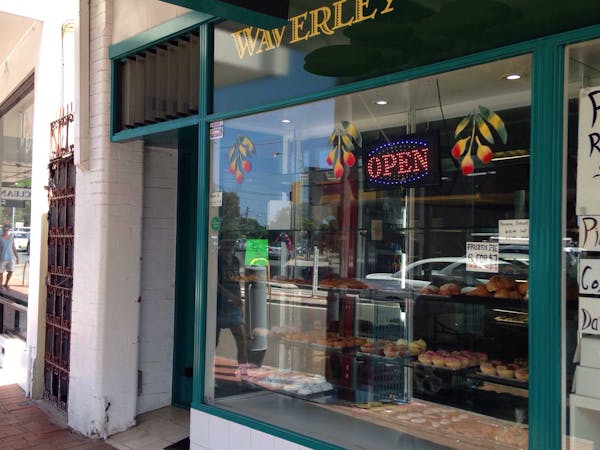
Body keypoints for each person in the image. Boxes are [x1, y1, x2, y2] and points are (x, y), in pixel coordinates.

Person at [216, 239, 249, 376]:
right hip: (217, 305)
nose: (228, 247)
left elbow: (236, 282)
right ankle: (208, 376)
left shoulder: (235, 261)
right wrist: (231, 296)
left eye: (231, 244)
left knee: (242, 340)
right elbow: (214, 283)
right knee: (212, 342)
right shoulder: (216, 260)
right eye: (226, 244)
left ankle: (243, 374)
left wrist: (239, 301)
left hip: (233, 308)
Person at [0, 225, 19, 289]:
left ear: (8, 230)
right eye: (4, 230)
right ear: (2, 230)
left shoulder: (11, 238)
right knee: (0, 273)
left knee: (11, 271)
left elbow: (14, 248)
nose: (5, 231)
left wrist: (17, 257)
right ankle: (0, 285)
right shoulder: (0, 238)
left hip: (10, 258)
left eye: (7, 230)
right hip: (2, 258)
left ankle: (6, 283)